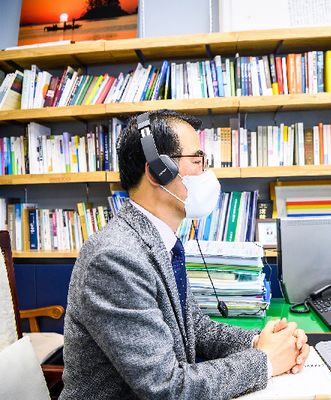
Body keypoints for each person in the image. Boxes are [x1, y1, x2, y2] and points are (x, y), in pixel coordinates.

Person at [60, 110, 309, 399]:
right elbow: (166, 387)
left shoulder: (161, 242)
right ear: (157, 171)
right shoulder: (115, 258)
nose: (207, 172)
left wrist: (263, 342)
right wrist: (265, 361)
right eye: (198, 160)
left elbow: (195, 328)